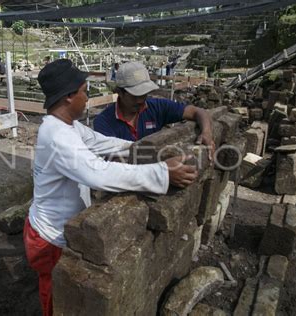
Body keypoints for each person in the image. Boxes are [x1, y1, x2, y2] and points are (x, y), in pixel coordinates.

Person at [23, 59, 199, 316]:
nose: (87, 97)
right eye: (84, 91)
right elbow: (97, 173)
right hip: (48, 236)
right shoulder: (56, 135)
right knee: (55, 299)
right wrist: (161, 173)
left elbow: (103, 143)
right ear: (69, 97)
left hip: (55, 226)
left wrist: (146, 150)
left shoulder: (69, 127)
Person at [94, 61, 215, 161]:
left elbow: (198, 112)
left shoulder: (157, 107)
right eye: (135, 96)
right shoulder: (104, 122)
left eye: (144, 94)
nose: (140, 100)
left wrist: (206, 132)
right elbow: (114, 162)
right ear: (120, 92)